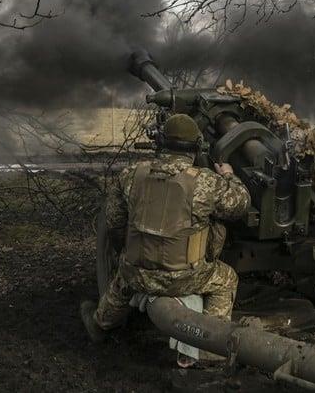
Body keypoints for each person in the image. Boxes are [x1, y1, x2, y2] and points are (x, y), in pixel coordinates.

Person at [80, 113, 251, 344]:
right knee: (226, 279)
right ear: (196, 147)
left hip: (137, 272)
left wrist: (131, 252)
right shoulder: (206, 182)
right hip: (186, 277)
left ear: (161, 143)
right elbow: (240, 204)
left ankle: (101, 324)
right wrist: (230, 176)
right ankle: (211, 346)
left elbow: (113, 222)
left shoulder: (132, 174)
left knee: (124, 277)